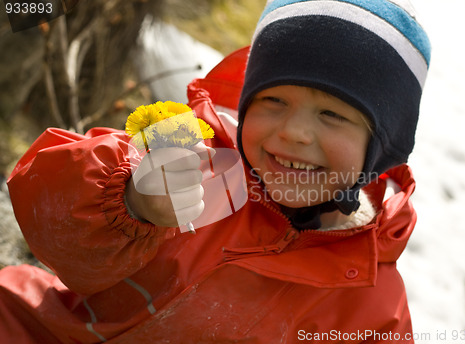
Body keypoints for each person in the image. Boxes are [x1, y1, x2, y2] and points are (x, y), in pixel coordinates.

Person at [0, 0, 431, 342]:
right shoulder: (191, 164)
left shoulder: (371, 306)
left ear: (379, 148)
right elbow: (45, 211)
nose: (295, 132)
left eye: (333, 115)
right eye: (273, 101)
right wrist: (132, 199)